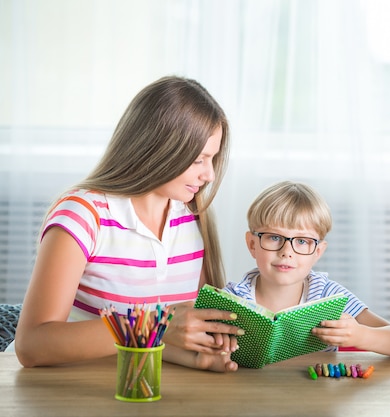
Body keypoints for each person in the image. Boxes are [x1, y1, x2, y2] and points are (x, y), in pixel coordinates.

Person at [14, 76, 243, 372]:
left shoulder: (193, 216)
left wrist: (200, 353)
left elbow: (182, 330)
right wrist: (155, 323)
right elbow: (32, 345)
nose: (209, 175)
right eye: (199, 160)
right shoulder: (83, 214)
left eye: (212, 159)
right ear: (161, 149)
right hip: (73, 390)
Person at [225, 181, 390, 357]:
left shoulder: (328, 295)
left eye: (301, 241)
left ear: (317, 251)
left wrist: (360, 335)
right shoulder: (233, 298)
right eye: (274, 237)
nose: (286, 252)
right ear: (252, 244)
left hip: (318, 391)